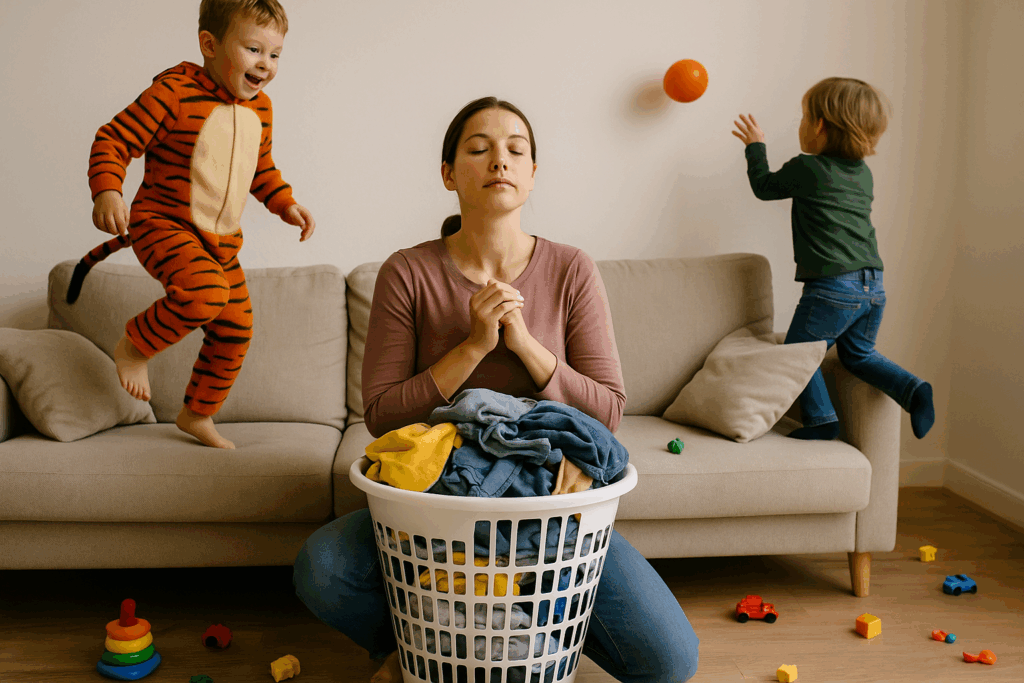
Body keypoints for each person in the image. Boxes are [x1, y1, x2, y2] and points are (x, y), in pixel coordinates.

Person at [293, 97, 699, 683]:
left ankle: (504, 646)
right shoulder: (407, 272)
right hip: (434, 508)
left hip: (550, 508)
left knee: (670, 662)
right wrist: (475, 346)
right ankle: (422, 652)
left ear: (533, 175)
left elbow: (607, 407)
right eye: (478, 149)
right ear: (449, 175)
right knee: (321, 567)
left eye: (515, 150)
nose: (499, 162)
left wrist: (525, 344)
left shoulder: (570, 268)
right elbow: (380, 414)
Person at [67, 0, 316, 449]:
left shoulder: (262, 109)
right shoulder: (174, 95)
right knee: (206, 295)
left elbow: (260, 169)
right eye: (254, 50)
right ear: (209, 45)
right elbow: (114, 138)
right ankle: (134, 346)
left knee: (235, 326)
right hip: (162, 224)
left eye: (275, 55)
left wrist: (285, 203)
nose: (266, 65)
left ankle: (196, 413)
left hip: (219, 243)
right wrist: (107, 190)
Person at [732, 77, 934, 441]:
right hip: (873, 285)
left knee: (797, 353)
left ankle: (822, 420)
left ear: (820, 125)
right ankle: (913, 390)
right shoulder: (863, 175)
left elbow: (764, 187)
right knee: (858, 355)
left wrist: (755, 146)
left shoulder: (806, 168)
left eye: (804, 117)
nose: (800, 125)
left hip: (833, 286)